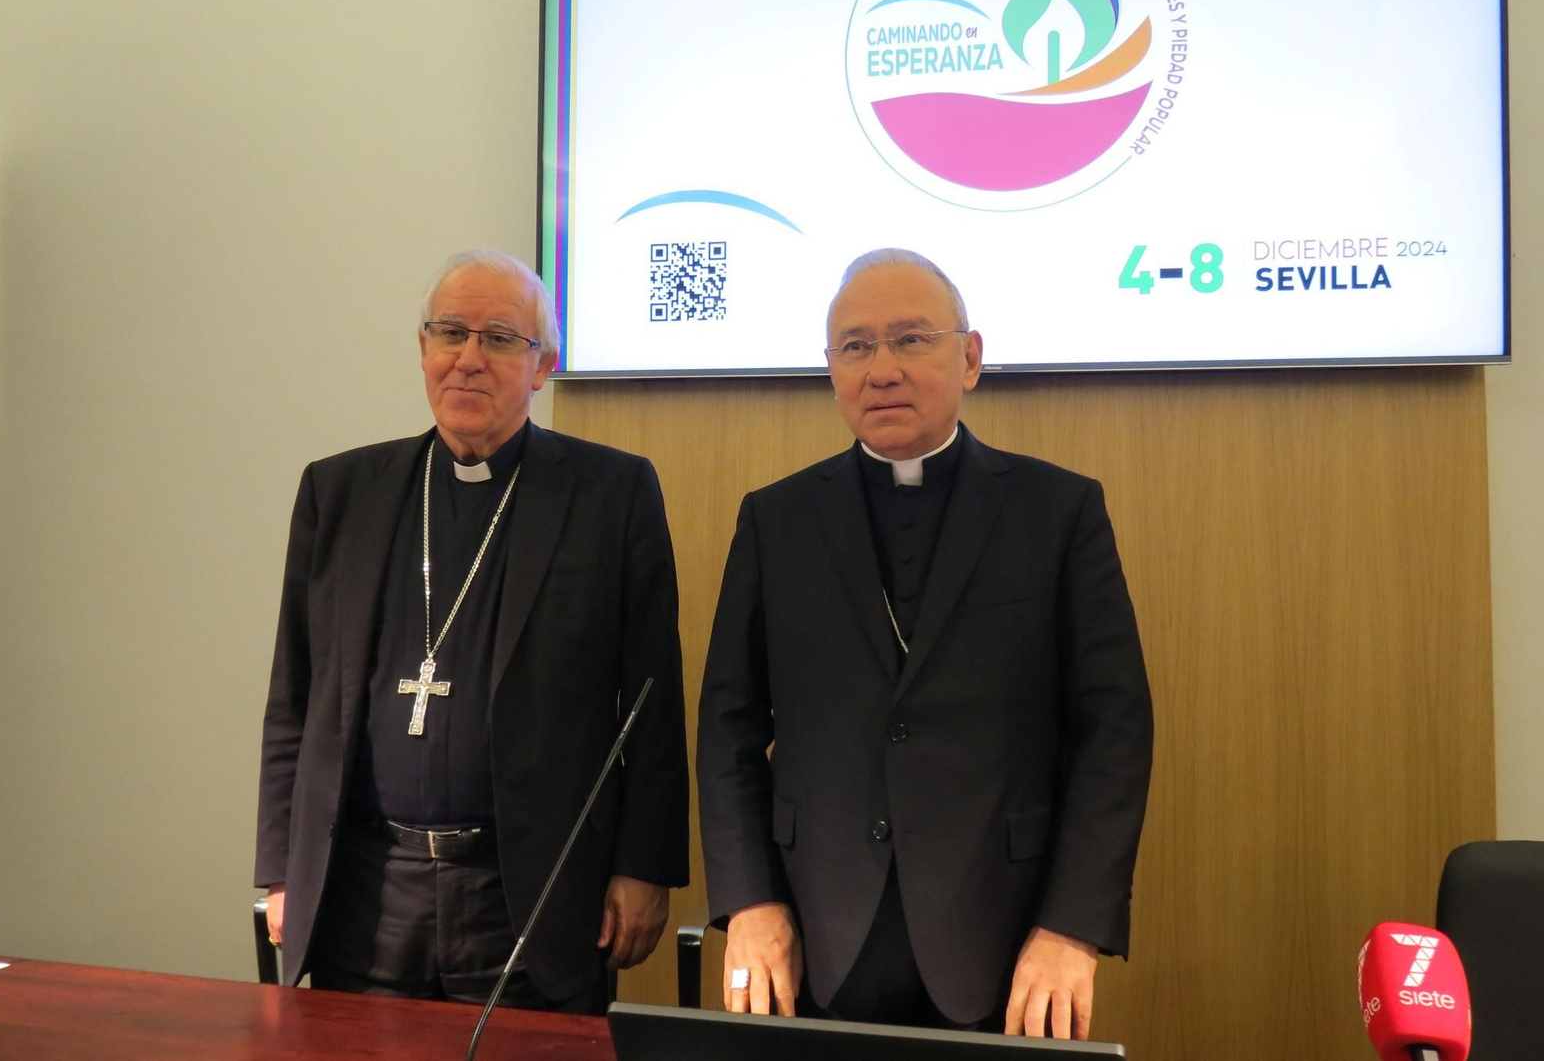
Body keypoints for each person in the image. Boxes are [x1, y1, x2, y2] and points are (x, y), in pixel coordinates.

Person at [696, 248, 1152, 1037]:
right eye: (857, 346)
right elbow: (729, 727)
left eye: (910, 340)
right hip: (813, 932)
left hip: (1008, 938)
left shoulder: (1058, 512)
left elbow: (1114, 733)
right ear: (831, 368)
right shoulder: (776, 521)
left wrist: (1073, 927)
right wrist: (750, 901)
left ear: (969, 357)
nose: (882, 370)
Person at [254, 248, 688, 1012]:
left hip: (531, 894)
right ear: (423, 348)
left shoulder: (611, 494)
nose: (469, 359)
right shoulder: (340, 492)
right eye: (451, 333)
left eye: (500, 339)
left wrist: (643, 868)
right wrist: (284, 869)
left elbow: (651, 704)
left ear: (542, 365)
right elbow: (295, 696)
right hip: (365, 891)